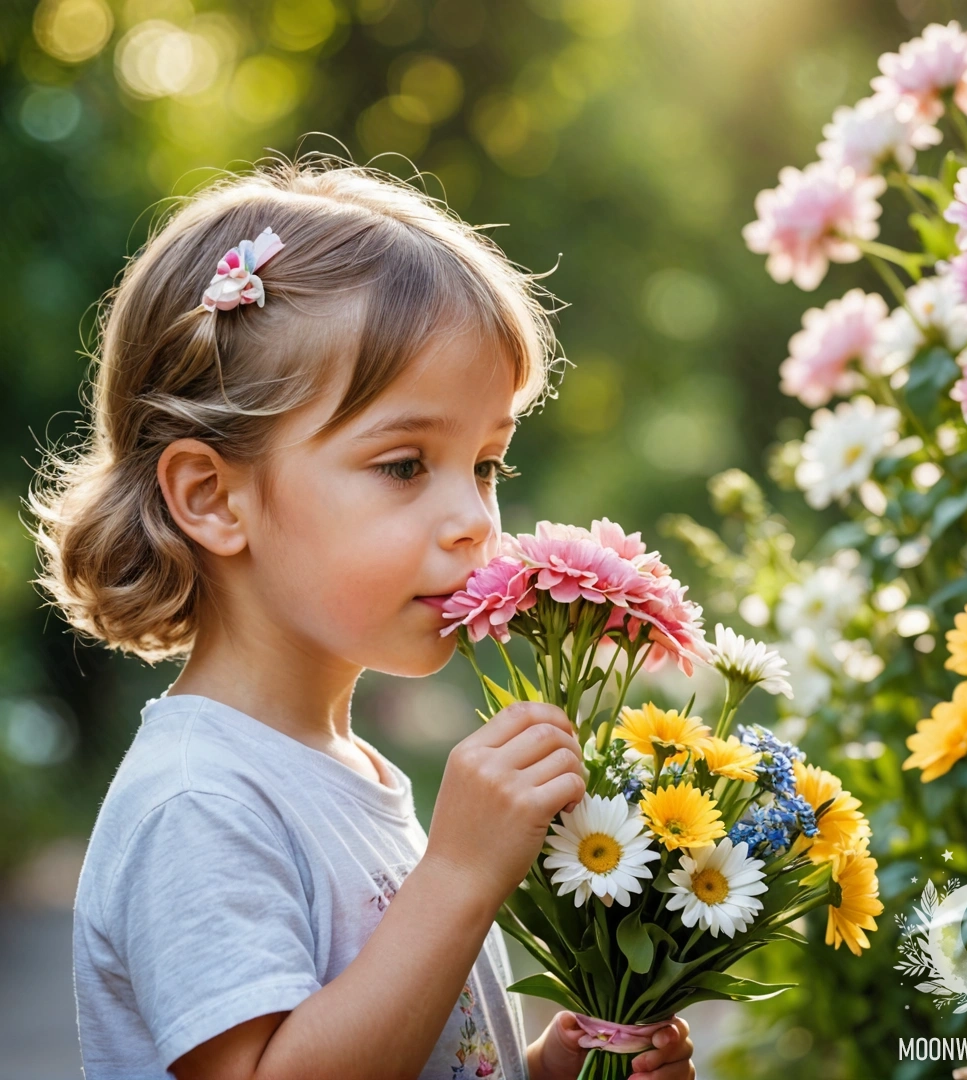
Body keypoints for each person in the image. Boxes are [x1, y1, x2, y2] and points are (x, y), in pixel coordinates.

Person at [28, 158, 696, 1080]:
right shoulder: (199, 802)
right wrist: (459, 877)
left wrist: (547, 1069)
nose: (473, 518)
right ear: (213, 498)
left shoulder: (347, 773)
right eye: (404, 464)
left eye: (486, 464)